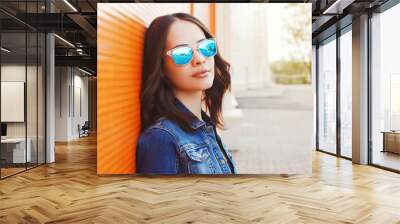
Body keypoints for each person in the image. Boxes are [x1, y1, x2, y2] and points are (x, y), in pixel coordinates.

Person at [136, 12, 238, 174]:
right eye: (182, 53)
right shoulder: (161, 139)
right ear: (160, 67)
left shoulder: (206, 126)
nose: (200, 58)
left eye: (205, 47)